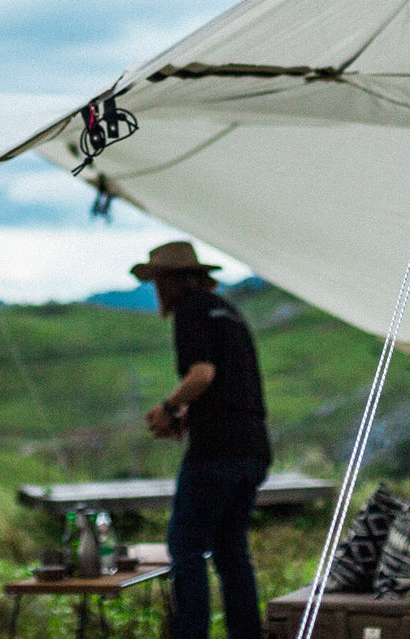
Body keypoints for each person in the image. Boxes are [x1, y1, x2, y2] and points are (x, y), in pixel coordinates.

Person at [134, 242, 271, 639]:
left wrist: (168, 406)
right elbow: (229, 386)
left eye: (159, 280)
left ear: (175, 280)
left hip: (216, 452)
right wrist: (188, 415)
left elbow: (204, 374)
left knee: (186, 546)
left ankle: (190, 633)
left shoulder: (191, 309)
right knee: (231, 550)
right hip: (253, 447)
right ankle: (246, 633)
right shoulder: (228, 311)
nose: (157, 289)